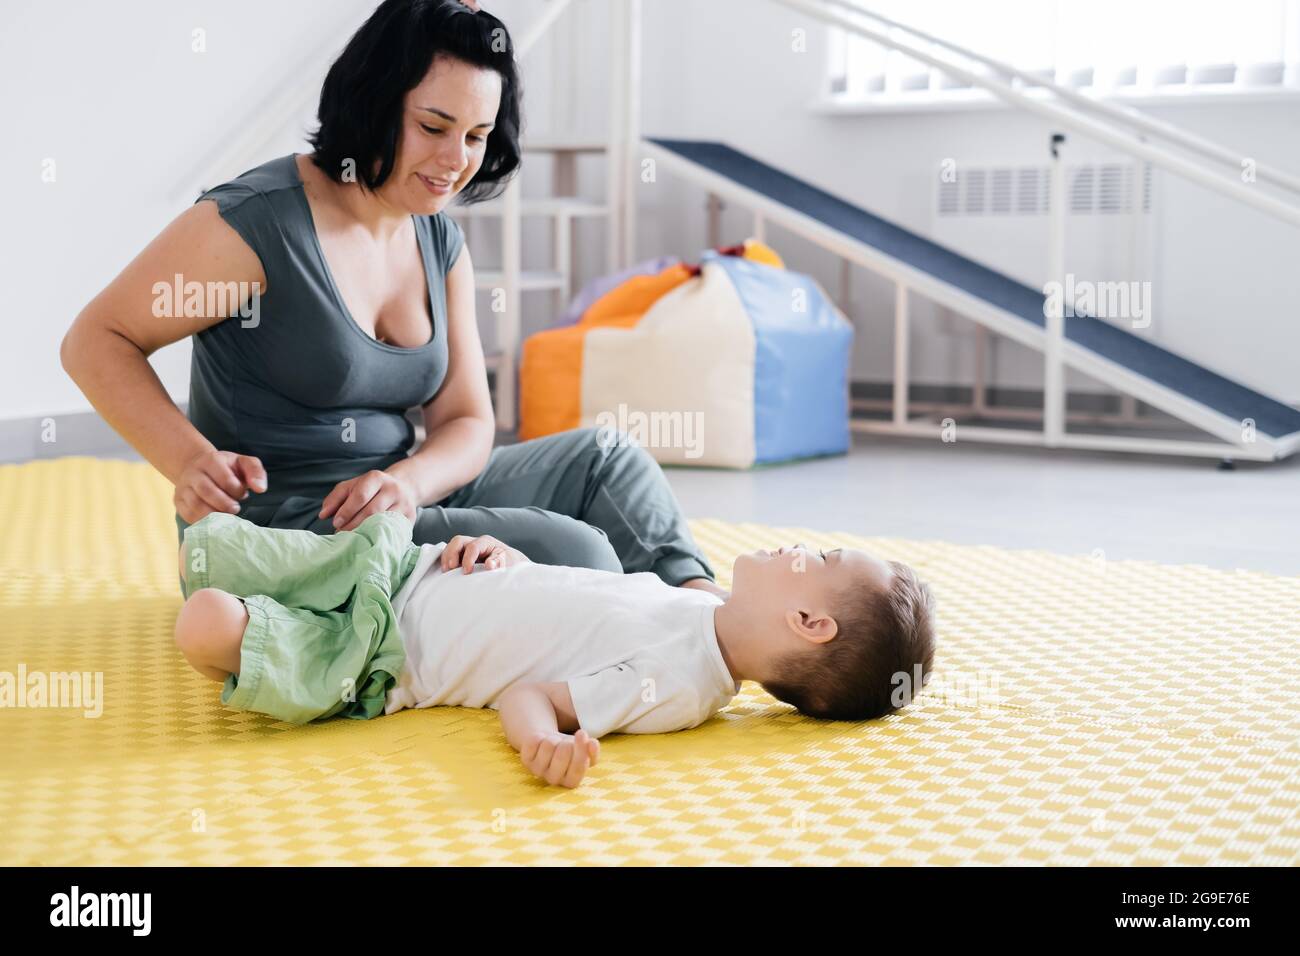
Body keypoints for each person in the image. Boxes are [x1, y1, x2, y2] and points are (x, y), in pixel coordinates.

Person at [60, 0, 725, 599]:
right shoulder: (255, 224)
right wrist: (187, 460)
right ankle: (647, 626)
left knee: (609, 461)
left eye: (475, 134)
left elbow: (466, 422)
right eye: (433, 125)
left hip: (395, 499)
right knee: (577, 549)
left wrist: (408, 483)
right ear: (374, 104)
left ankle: (703, 611)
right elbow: (96, 339)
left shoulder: (438, 238)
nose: (455, 159)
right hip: (284, 530)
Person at [174, 510, 938, 788]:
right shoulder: (697, 609)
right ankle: (256, 597)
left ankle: (260, 630)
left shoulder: (677, 685)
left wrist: (543, 742)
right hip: (405, 569)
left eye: (824, 560)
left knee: (204, 621)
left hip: (378, 652)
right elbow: (570, 603)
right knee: (206, 551)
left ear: (810, 623)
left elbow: (529, 693)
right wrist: (506, 557)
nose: (803, 546)